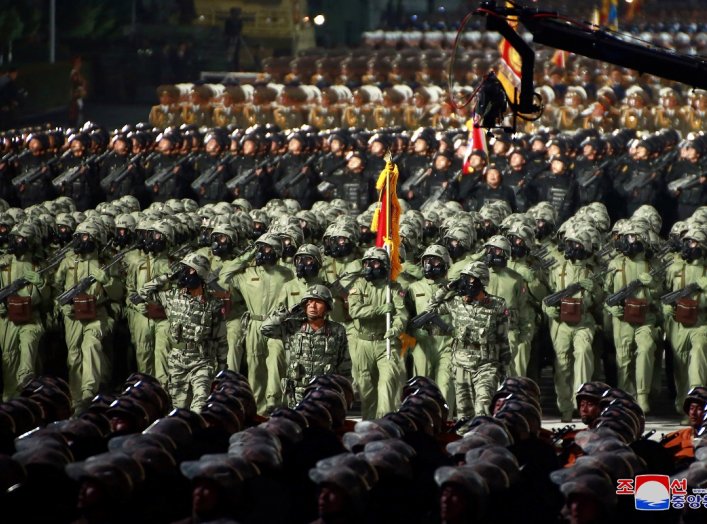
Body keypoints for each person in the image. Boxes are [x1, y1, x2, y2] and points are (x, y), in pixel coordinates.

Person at [136, 253, 227, 412]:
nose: (184, 274)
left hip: (202, 361)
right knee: (179, 409)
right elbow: (143, 292)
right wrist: (167, 276)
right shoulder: (171, 297)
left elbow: (221, 338)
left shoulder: (213, 304)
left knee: (199, 408)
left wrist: (222, 368)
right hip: (177, 361)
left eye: (188, 270)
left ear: (199, 274)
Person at [427, 261, 511, 418]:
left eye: (470, 279)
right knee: (464, 413)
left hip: (486, 364)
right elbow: (430, 308)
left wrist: (505, 369)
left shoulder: (497, 305)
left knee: (483, 407)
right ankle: (464, 441)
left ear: (482, 281)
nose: (466, 283)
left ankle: (484, 438)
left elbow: (503, 339)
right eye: (464, 279)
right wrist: (447, 288)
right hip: (461, 364)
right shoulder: (455, 302)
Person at [261, 285, 350, 407]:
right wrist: (289, 311)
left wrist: (344, 394)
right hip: (297, 394)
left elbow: (345, 365)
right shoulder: (293, 326)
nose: (312, 306)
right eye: (308, 303)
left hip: (325, 393)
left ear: (327, 307)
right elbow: (266, 329)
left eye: (318, 302)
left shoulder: (337, 330)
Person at [347, 247, 408, 419]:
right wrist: (379, 310)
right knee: (366, 390)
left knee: (386, 384)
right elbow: (354, 311)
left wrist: (395, 329)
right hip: (363, 343)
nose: (368, 267)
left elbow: (401, 316)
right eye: (366, 263)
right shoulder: (358, 285)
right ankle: (368, 425)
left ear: (383, 266)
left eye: (373, 263)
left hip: (386, 343)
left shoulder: (395, 289)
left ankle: (384, 423)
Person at [0, 222, 48, 400]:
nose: (16, 241)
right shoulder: (4, 264)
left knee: (27, 360)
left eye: (20, 238)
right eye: (14, 237)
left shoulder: (39, 265)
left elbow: (47, 297)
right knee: (9, 359)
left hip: (30, 317)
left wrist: (41, 284)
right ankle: (10, 400)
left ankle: (25, 396)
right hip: (7, 319)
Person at [68, 56, 88, 127]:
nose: (80, 64)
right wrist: (80, 91)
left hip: (78, 99)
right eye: (78, 62)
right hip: (75, 99)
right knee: (76, 118)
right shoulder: (74, 73)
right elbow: (77, 84)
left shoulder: (77, 73)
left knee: (79, 116)